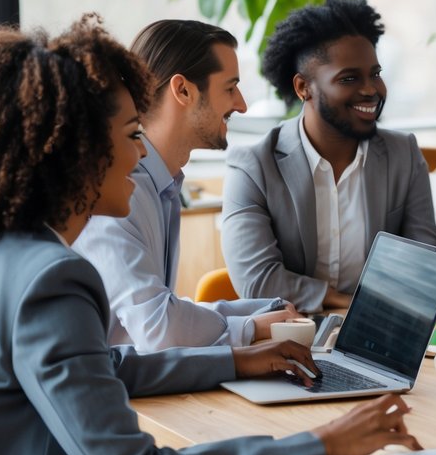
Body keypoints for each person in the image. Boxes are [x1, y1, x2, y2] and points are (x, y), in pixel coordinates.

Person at [0, 15, 421, 455]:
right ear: (75, 154)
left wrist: (236, 358)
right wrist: (321, 444)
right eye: (131, 135)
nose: (141, 156)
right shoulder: (49, 277)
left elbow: (104, 366)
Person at [76, 20, 301, 351]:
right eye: (229, 88)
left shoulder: (161, 185)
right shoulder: (121, 192)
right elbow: (158, 331)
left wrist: (264, 311)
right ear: (182, 90)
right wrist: (250, 328)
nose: (241, 105)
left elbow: (164, 308)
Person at [221, 0, 436, 312]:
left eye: (375, 74)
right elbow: (258, 281)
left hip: (381, 334)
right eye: (349, 78)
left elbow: (426, 262)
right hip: (289, 336)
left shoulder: (402, 154)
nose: (371, 90)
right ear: (303, 88)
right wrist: (350, 304)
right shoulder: (254, 166)